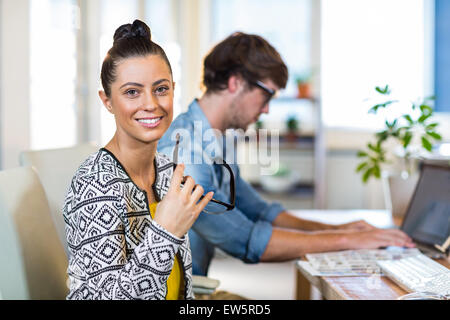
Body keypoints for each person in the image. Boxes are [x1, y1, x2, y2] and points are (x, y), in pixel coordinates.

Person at [157, 32, 415, 279]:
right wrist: (348, 240)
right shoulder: (186, 150)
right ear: (235, 82)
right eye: (267, 94)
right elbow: (244, 240)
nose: (268, 109)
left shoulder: (216, 137)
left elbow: (258, 210)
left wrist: (339, 229)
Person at [63, 20, 213, 300]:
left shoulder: (168, 170)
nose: (151, 104)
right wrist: (166, 231)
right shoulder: (94, 185)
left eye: (161, 89)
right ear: (107, 101)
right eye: (132, 92)